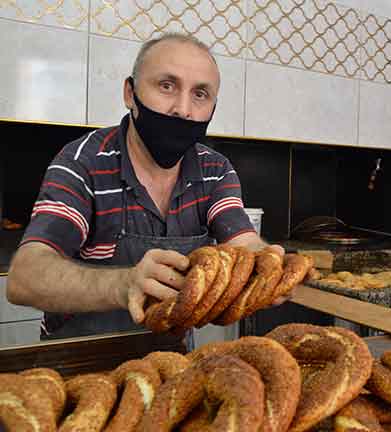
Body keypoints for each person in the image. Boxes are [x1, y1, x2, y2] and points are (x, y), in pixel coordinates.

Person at [6, 33, 285, 339]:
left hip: (171, 367)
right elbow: (24, 278)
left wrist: (271, 262)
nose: (183, 109)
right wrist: (125, 284)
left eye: (200, 94)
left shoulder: (214, 171)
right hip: (76, 364)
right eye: (167, 86)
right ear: (130, 93)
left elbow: (243, 244)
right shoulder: (83, 162)